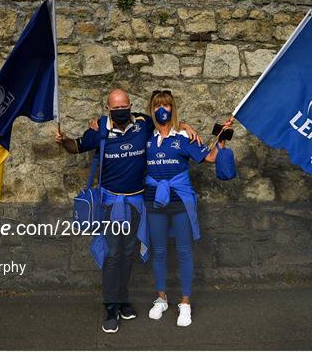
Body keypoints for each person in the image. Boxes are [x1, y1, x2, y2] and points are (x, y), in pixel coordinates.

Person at [54, 88, 200, 334]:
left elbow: (163, 122)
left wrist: (185, 125)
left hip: (136, 204)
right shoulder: (99, 128)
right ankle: (111, 307)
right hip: (111, 204)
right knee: (113, 254)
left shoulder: (142, 125)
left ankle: (122, 301)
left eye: (125, 106)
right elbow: (76, 146)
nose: (121, 110)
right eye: (116, 107)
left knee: (128, 252)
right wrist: (63, 140)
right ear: (108, 108)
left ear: (130, 105)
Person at [143, 90, 233, 327]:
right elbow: (126, 120)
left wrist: (222, 137)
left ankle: (185, 302)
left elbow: (211, 158)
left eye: (166, 105)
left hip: (180, 203)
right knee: (159, 251)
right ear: (151, 109)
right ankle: (161, 298)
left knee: (184, 252)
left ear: (173, 108)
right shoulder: (146, 137)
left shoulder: (183, 137)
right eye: (156, 105)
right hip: (154, 202)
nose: (161, 109)